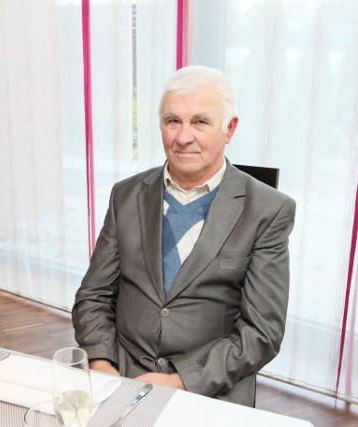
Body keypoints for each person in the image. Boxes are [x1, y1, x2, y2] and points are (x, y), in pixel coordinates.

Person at [72, 65, 295, 406]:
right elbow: (93, 296)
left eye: (200, 122)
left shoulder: (269, 210)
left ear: (230, 128)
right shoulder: (125, 195)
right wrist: (102, 363)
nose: (183, 137)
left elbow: (262, 333)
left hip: (210, 388)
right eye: (172, 120)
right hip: (122, 375)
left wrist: (179, 381)